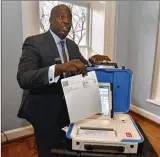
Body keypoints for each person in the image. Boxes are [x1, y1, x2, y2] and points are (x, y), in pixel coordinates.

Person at [16, 4, 111, 157]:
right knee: (48, 151)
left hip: (69, 109)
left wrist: (94, 61)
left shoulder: (72, 45)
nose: (66, 21)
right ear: (50, 20)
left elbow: (82, 66)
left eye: (70, 18)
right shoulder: (34, 42)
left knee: (66, 147)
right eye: (61, 17)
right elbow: (24, 78)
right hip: (43, 110)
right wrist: (59, 68)